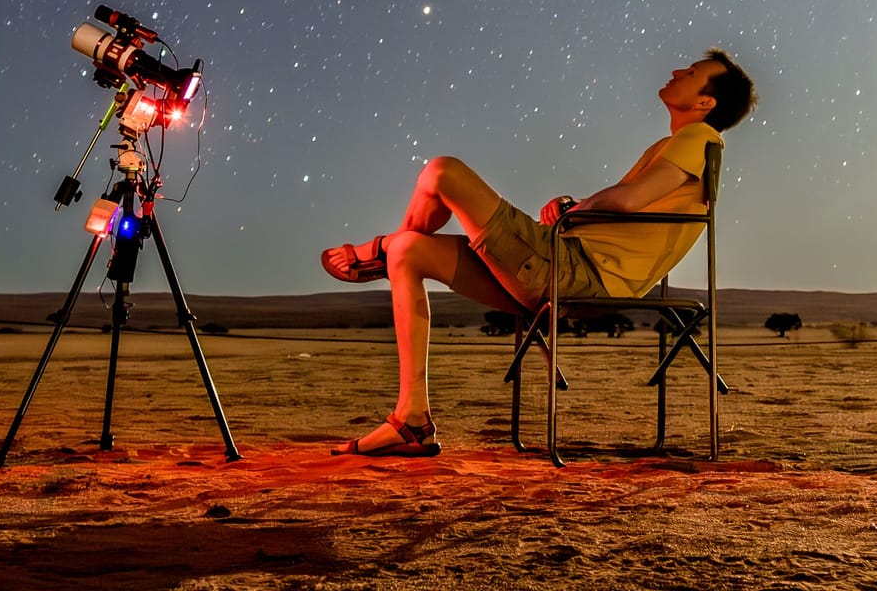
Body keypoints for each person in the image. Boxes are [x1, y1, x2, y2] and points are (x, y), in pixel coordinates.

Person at [319, 50, 757, 456]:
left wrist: (579, 209)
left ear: (704, 104)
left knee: (442, 171)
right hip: (568, 266)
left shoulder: (700, 137)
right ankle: (411, 420)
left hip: (576, 274)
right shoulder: (677, 146)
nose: (679, 71)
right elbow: (632, 209)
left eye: (693, 74)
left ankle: (375, 250)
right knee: (411, 252)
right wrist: (575, 208)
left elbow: (628, 200)